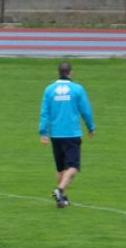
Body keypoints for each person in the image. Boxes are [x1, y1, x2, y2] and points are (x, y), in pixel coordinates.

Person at [39, 61, 95, 208]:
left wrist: (43, 132)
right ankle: (59, 190)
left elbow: (44, 112)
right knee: (73, 167)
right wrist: (91, 126)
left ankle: (61, 199)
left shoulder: (49, 90)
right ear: (71, 72)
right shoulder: (77, 89)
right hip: (71, 133)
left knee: (61, 168)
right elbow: (86, 110)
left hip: (55, 134)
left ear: (58, 72)